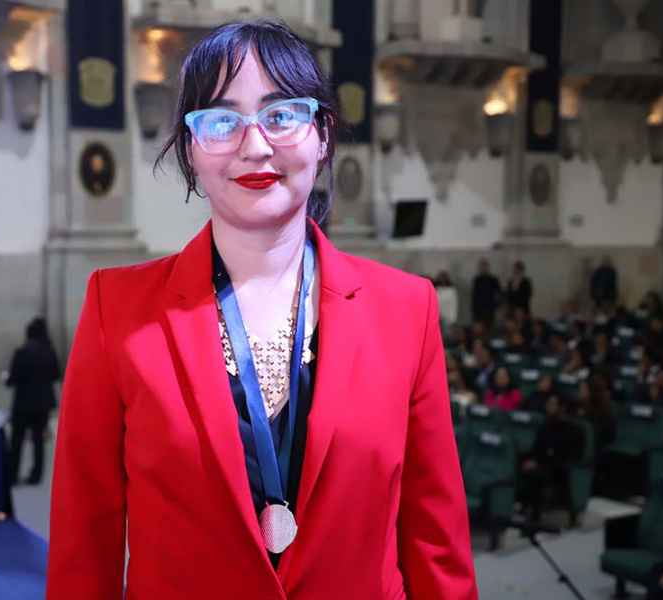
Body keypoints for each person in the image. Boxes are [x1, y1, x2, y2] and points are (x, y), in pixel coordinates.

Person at [47, 20, 477, 600]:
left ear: (322, 135)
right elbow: (84, 541)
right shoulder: (117, 311)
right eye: (221, 121)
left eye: (282, 114)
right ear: (191, 149)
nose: (254, 146)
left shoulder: (406, 309)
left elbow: (435, 542)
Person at [6, 317, 61, 485]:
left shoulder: (21, 352)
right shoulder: (50, 352)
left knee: (17, 441)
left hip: (22, 404)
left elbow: (12, 379)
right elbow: (56, 374)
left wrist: (6, 379)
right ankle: (36, 476)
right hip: (42, 404)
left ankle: (12, 475)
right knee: (38, 441)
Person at [518, 394, 583, 521]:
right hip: (544, 462)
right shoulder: (545, 425)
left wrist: (540, 461)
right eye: (548, 404)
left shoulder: (571, 429)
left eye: (552, 404)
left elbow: (567, 454)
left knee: (536, 474)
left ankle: (535, 515)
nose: (548, 407)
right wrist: (531, 459)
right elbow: (537, 447)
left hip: (559, 467)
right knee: (522, 466)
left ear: (561, 408)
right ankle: (523, 504)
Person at [471, 258, 501, 327]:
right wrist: (474, 309)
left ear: (488, 267)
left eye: (485, 266)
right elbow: (474, 295)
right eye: (482, 267)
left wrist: (496, 306)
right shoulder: (477, 280)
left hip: (490, 309)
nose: (483, 268)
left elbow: (498, 294)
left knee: (489, 327)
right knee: (479, 327)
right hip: (479, 310)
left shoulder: (493, 279)